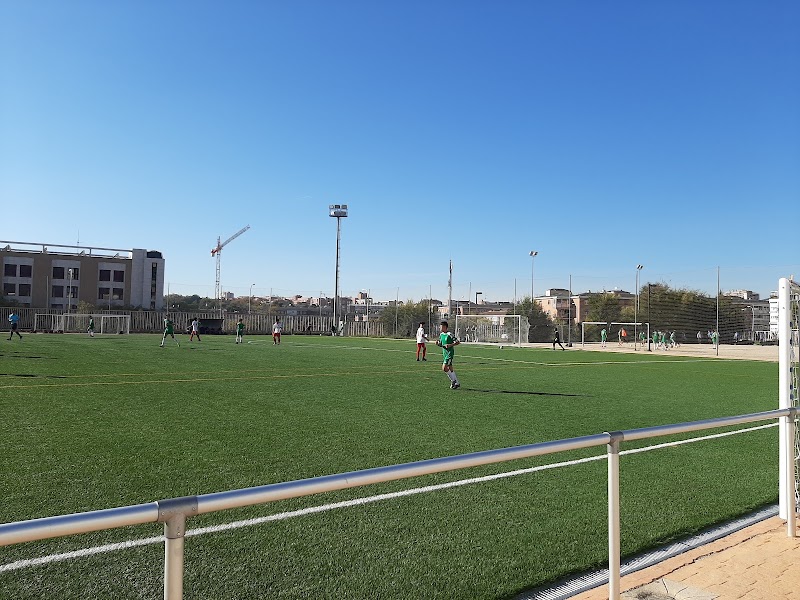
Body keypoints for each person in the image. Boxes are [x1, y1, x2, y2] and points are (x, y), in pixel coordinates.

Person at [436, 321, 460, 389]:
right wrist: (438, 344)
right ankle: (457, 383)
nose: (440, 328)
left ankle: (453, 380)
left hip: (449, 354)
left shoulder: (449, 334)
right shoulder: (441, 335)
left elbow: (457, 342)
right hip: (445, 353)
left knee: (444, 368)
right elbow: (441, 344)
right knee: (450, 368)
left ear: (445, 327)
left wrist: (450, 345)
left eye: (441, 326)